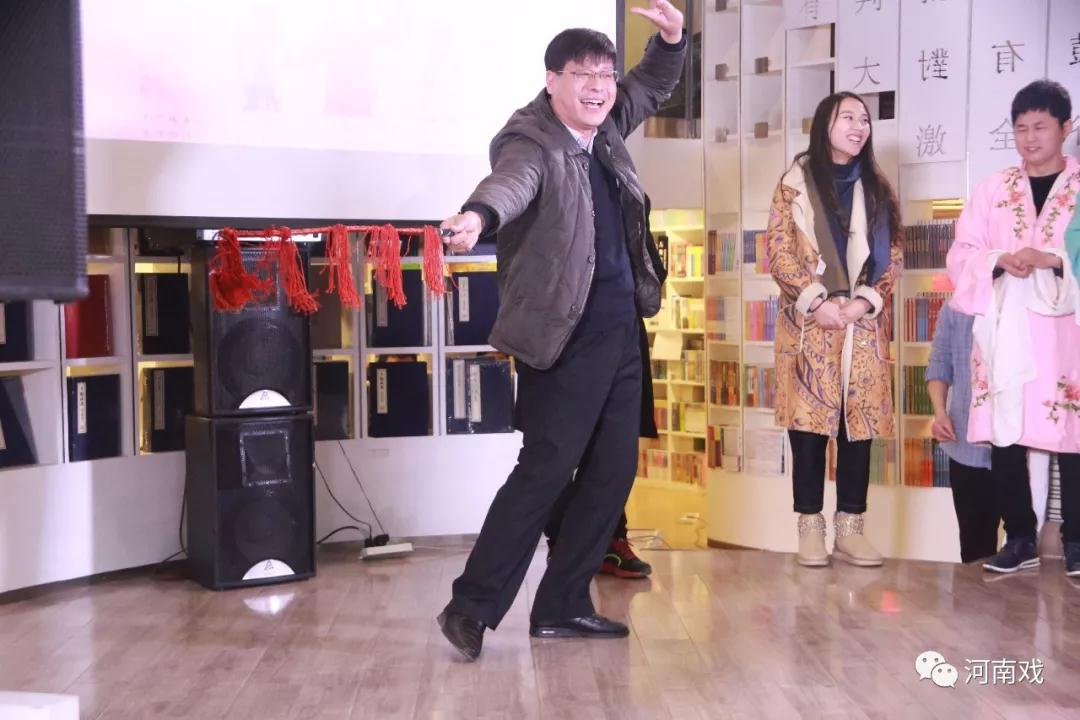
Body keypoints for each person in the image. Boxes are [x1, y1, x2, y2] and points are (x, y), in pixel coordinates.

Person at [435, 2, 687, 661]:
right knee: (545, 471)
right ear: (552, 81)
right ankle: (471, 607)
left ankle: (563, 605)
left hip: (621, 330)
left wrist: (671, 37)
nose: (600, 87)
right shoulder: (532, 140)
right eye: (584, 75)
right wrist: (476, 216)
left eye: (605, 74)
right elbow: (509, 184)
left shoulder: (607, 125)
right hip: (563, 336)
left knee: (613, 471)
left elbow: (651, 84)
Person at [948, 79, 1080, 576]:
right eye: (1021, 128)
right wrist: (999, 259)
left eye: (1040, 127)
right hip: (1007, 328)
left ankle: (1077, 540)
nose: (1029, 138)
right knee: (1006, 432)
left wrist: (1053, 259)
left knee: (1073, 430)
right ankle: (1020, 537)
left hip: (1068, 332)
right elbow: (962, 252)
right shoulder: (993, 189)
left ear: (1065, 128)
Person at [766, 91, 903, 568]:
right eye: (848, 117)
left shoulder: (878, 187)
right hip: (810, 326)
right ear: (825, 124)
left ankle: (850, 529)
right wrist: (816, 301)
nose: (859, 126)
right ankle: (810, 528)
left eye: (864, 119)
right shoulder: (793, 184)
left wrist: (865, 301)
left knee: (856, 428)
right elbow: (779, 251)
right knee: (808, 429)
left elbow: (892, 257)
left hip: (861, 326)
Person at [543, 194, 671, 582]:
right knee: (557, 452)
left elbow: (651, 267)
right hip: (563, 335)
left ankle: (611, 540)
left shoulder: (630, 192)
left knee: (614, 451)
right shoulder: (549, 179)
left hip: (621, 331)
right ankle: (565, 543)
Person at [926, 299, 998, 563]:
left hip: (1019, 447)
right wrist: (940, 412)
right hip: (965, 445)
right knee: (974, 546)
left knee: (1024, 544)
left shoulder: (1019, 298)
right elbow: (939, 362)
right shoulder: (954, 308)